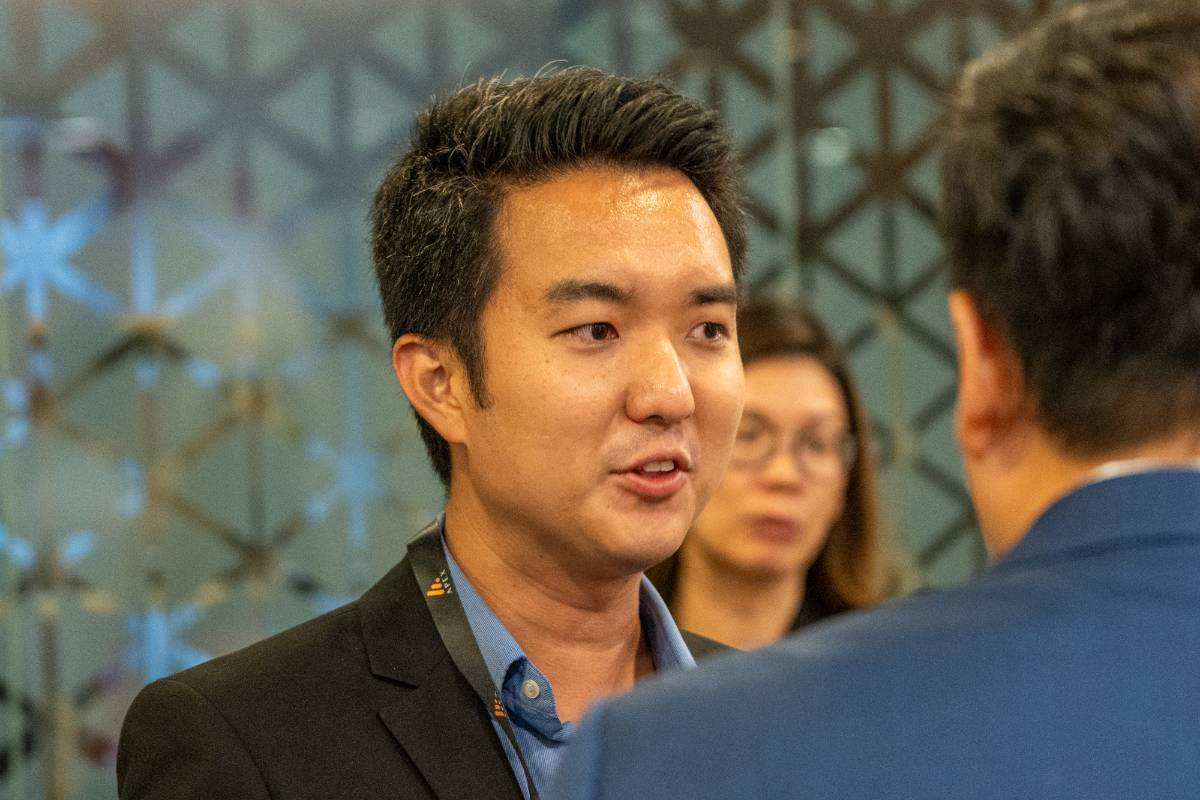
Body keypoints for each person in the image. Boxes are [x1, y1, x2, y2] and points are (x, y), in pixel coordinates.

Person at [550, 2, 1200, 797]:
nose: (784, 474)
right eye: (594, 330)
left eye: (817, 442)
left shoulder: (676, 753)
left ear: (982, 366)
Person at [116, 67, 748, 799]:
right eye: (596, 330)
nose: (670, 394)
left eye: (708, 329)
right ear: (440, 383)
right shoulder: (244, 742)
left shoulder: (786, 721)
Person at [647, 298, 900, 648]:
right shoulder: (608, 658)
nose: (784, 475)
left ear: (845, 484)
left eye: (815, 444)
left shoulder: (882, 661)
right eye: (749, 436)